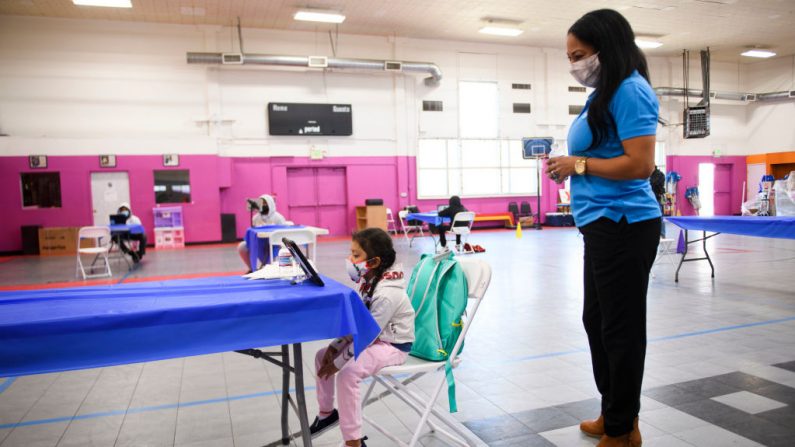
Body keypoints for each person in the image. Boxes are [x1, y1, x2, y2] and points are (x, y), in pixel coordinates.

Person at [545, 9, 662, 447]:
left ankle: (622, 428)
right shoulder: (604, 94)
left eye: (579, 55)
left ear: (605, 48)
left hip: (625, 224)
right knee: (597, 320)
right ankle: (617, 411)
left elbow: (640, 164)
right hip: (601, 225)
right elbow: (600, 155)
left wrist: (577, 164)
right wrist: (571, 167)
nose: (574, 64)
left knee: (621, 327)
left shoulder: (631, 91)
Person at [309, 228, 415, 447]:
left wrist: (339, 362)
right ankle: (327, 413)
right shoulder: (369, 281)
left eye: (356, 255)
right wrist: (334, 346)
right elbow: (359, 322)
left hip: (393, 346)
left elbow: (366, 334)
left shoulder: (386, 293)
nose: (350, 259)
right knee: (322, 356)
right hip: (374, 338)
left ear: (374, 262)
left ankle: (353, 440)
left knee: (348, 371)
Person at [237, 194, 287, 272]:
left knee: (270, 263)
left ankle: (268, 267)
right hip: (258, 243)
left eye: (265, 203)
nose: (263, 205)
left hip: (275, 244)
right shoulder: (255, 218)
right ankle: (252, 269)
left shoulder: (278, 218)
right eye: (262, 203)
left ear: (270, 204)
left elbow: (284, 234)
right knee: (242, 246)